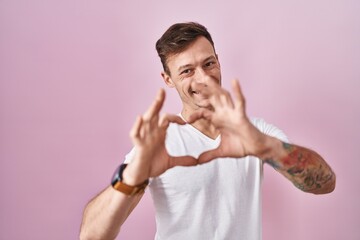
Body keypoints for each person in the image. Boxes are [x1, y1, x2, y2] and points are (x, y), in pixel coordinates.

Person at [79, 22, 336, 240]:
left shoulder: (255, 132)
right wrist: (134, 174)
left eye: (208, 63)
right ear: (168, 79)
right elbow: (91, 236)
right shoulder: (158, 143)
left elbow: (325, 184)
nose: (202, 78)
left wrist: (266, 147)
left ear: (219, 61)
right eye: (187, 71)